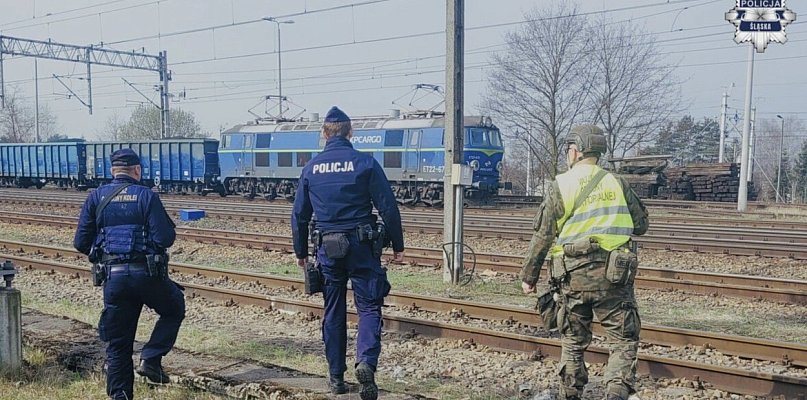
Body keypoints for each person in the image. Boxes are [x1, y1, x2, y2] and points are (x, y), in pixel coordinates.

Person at [519, 125, 649, 400]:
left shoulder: (560, 185)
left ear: (575, 150)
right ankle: (615, 392)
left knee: (573, 342)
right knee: (623, 341)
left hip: (572, 277)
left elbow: (542, 236)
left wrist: (529, 277)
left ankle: (571, 394)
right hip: (613, 277)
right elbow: (641, 225)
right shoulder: (618, 183)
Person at [291, 106, 405, 400]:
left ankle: (336, 377)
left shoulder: (311, 168)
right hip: (363, 246)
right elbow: (388, 207)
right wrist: (398, 246)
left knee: (333, 310)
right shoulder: (365, 162)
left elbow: (299, 215)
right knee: (368, 307)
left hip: (328, 249)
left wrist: (301, 251)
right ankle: (366, 363)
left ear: (324, 133)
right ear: (350, 132)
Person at [73, 148, 185, 400]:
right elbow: (165, 238)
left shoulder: (96, 197)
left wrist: (102, 252)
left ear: (112, 171)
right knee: (173, 308)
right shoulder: (146, 196)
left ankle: (120, 396)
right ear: (137, 170)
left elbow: (80, 242)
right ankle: (151, 358)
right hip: (148, 276)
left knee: (118, 345)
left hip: (114, 279)